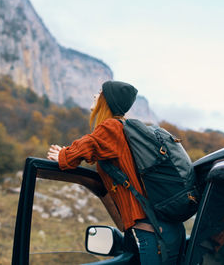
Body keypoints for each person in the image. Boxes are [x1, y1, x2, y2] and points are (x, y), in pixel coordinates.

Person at [47, 80, 185, 265]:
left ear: (107, 101)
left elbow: (88, 145)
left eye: (99, 92)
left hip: (152, 233)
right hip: (165, 229)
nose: (95, 95)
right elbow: (95, 149)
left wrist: (64, 155)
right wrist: (67, 153)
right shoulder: (122, 130)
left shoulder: (111, 127)